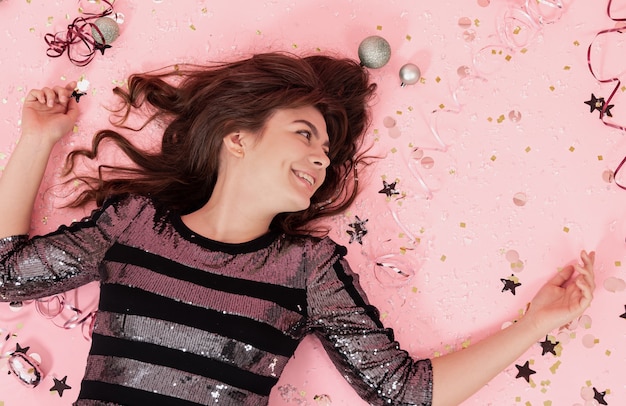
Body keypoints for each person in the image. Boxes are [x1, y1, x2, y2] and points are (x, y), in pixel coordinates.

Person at [0, 52, 595, 406]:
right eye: (305, 134)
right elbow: (5, 275)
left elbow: (402, 392)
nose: (319, 159)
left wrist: (536, 324)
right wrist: (37, 140)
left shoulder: (308, 270)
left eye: (327, 152)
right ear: (238, 137)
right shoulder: (133, 226)